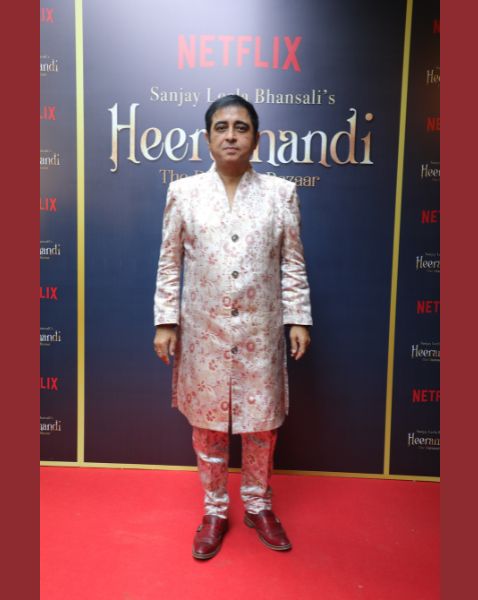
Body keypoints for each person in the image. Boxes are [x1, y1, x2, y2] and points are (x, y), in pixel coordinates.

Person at [153, 95, 312, 560]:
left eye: (241, 128)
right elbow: (170, 263)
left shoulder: (280, 193)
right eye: (221, 127)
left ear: (256, 138)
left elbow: (292, 263)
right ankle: (215, 510)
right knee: (208, 427)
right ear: (207, 138)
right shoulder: (183, 193)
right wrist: (166, 321)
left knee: (261, 426)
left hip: (260, 331)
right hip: (203, 331)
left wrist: (298, 317)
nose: (231, 135)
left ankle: (259, 505)